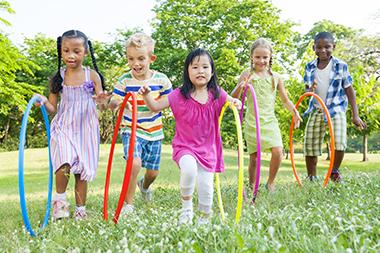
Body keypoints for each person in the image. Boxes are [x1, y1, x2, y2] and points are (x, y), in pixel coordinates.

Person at [139, 48, 241, 225]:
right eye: (195, 67)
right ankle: (186, 210)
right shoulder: (179, 95)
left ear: (212, 71)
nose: (200, 71)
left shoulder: (217, 93)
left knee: (206, 186)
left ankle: (204, 218)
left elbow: (231, 101)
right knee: (189, 170)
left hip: (208, 150)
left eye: (205, 67)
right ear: (187, 71)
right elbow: (155, 106)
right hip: (185, 147)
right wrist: (147, 96)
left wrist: (236, 102)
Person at [35, 30, 111, 220]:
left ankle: (80, 210)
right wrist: (44, 101)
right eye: (66, 50)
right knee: (63, 163)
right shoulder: (57, 78)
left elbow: (102, 106)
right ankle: (60, 206)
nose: (71, 55)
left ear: (85, 52)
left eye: (76, 51)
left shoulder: (92, 76)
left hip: (86, 128)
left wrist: (102, 100)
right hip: (64, 126)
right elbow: (53, 108)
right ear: (61, 52)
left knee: (81, 172)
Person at [108, 33, 173, 215]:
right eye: (131, 59)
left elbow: (170, 100)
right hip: (131, 128)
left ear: (151, 58)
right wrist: (119, 102)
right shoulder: (125, 81)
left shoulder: (162, 80)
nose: (136, 63)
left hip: (154, 131)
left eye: (141, 58)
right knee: (134, 164)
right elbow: (113, 102)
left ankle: (144, 186)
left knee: (152, 173)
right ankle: (128, 205)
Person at [231, 38, 301, 192]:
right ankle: (251, 187)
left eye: (265, 57)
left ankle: (270, 182)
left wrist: (295, 112)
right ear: (251, 57)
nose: (261, 60)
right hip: (252, 121)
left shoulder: (276, 77)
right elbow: (234, 98)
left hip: (270, 121)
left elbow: (285, 100)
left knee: (278, 151)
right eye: (257, 57)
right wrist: (240, 86)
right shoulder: (247, 74)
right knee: (254, 158)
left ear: (270, 58)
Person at [303, 32, 366, 182]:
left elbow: (349, 90)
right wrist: (309, 90)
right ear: (314, 48)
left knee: (339, 141)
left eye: (327, 47)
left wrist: (355, 115)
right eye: (319, 47)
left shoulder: (340, 66)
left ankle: (334, 171)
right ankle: (311, 177)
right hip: (317, 109)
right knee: (310, 144)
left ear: (334, 47)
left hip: (336, 109)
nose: (323, 50)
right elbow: (307, 91)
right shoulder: (309, 67)